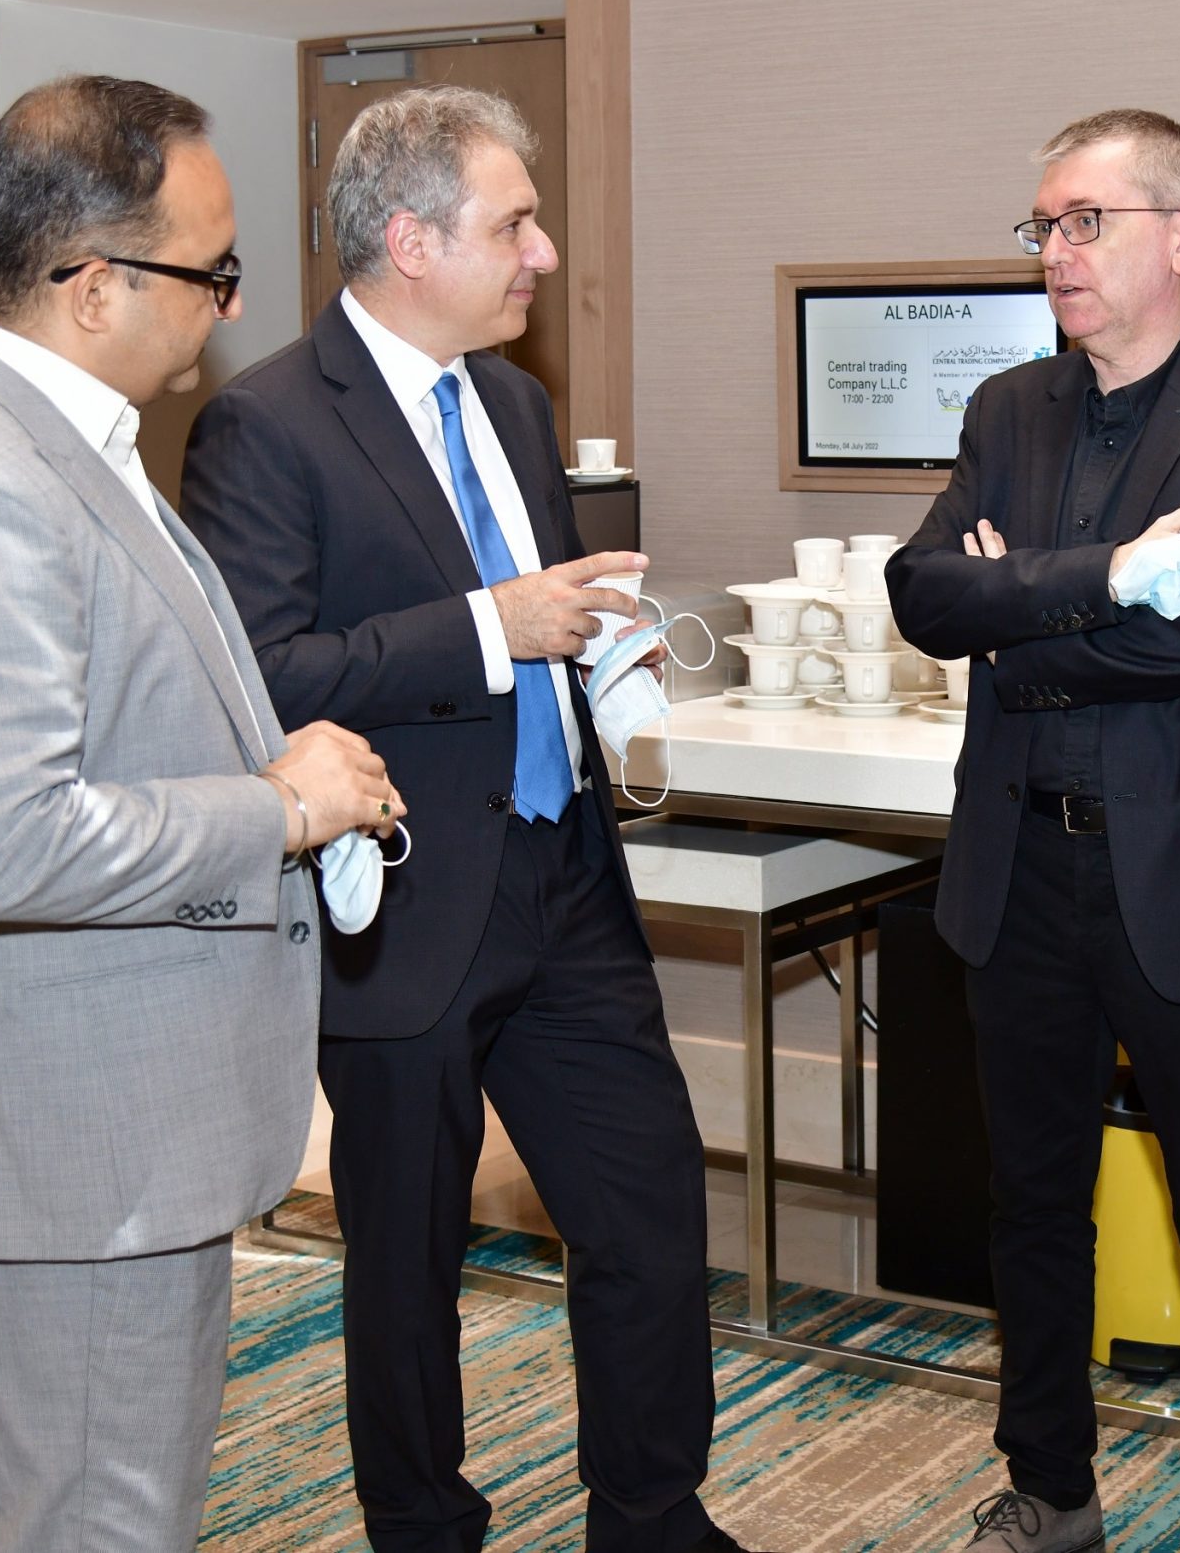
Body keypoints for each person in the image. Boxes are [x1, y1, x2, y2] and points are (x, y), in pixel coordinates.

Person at [178, 86, 760, 1553]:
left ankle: (651, 1517)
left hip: (564, 879)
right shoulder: (265, 426)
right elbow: (262, 676)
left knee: (645, 1213)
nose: (544, 253)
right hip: (405, 892)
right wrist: (488, 628)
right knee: (406, 1261)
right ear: (409, 240)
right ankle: (424, 1529)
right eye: (514, 223)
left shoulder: (514, 400)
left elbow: (547, 617)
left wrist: (601, 664)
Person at [0, 74, 399, 1552]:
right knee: (90, 1517)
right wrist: (274, 809)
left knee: (33, 1502)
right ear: (91, 285)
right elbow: (9, 841)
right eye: (212, 272)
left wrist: (284, 766)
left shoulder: (59, 444)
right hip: (75, 1141)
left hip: (113, 1120)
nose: (228, 308)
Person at [886, 109, 1180, 1553]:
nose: (1055, 256)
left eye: (1086, 223)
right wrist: (1106, 579)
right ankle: (1052, 1492)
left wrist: (1021, 611)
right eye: (1043, 228)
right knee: (1032, 1204)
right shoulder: (1006, 412)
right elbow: (921, 595)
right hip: (1021, 868)